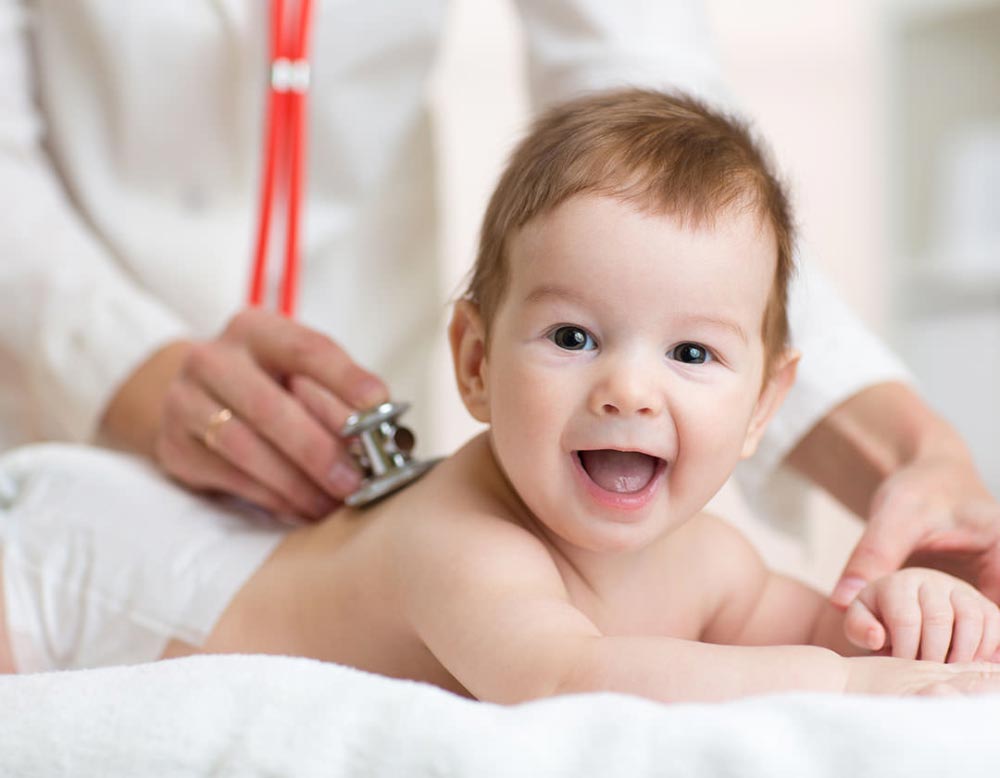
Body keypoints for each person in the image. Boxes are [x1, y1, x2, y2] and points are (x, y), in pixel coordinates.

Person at [3, 90, 1000, 702]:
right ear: (474, 364)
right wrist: (859, 683)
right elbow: (568, 680)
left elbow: (824, 627)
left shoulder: (714, 563)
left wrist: (903, 614)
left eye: (692, 353)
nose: (628, 388)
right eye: (573, 336)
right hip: (83, 562)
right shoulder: (463, 540)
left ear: (761, 406)